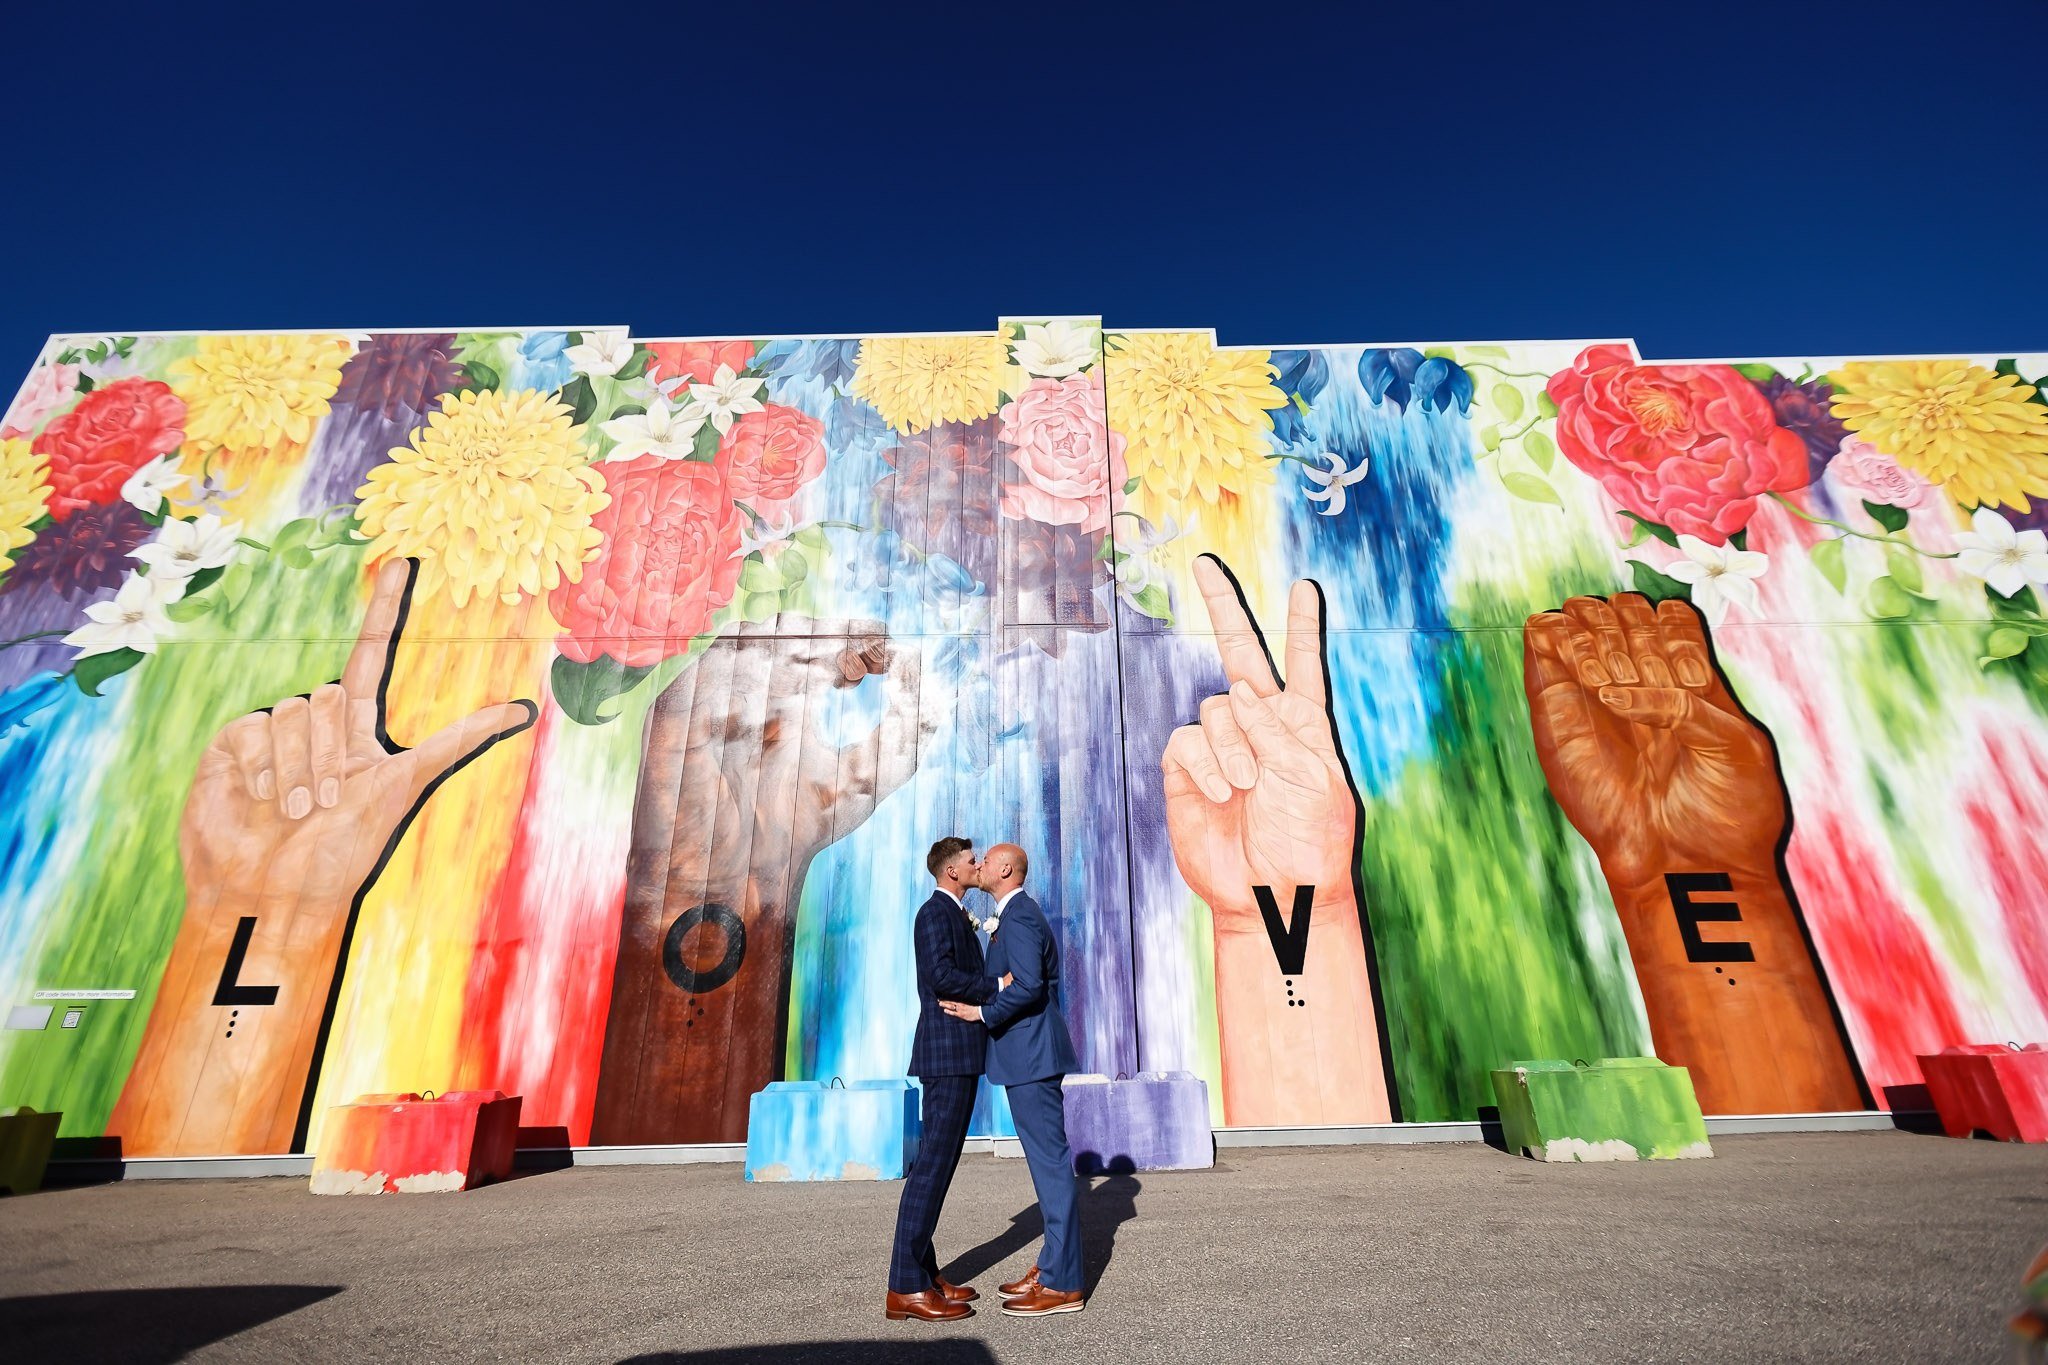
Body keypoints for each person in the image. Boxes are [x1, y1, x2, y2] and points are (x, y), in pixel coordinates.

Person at [941, 843, 1085, 1317]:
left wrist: (981, 1011)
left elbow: (1027, 987)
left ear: (1005, 869)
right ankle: (1050, 1267)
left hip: (1032, 1057)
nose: (977, 867)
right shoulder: (1014, 914)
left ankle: (1064, 1283)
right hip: (1025, 1058)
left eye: (985, 862)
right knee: (1045, 1167)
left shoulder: (1019, 916)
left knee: (1050, 1165)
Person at [885, 836, 1000, 1322]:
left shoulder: (953, 913)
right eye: (972, 861)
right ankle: (905, 1286)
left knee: (941, 1165)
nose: (978, 866)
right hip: (946, 1053)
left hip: (959, 1053)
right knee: (932, 1166)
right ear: (952, 871)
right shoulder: (935, 913)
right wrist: (996, 986)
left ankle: (925, 1272)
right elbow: (940, 974)